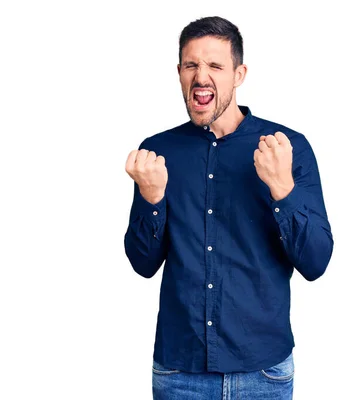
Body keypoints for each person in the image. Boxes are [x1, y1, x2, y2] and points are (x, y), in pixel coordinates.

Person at [123, 16, 334, 399]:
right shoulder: (158, 152)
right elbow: (142, 263)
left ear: (239, 74)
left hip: (263, 373)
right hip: (179, 373)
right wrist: (152, 200)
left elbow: (316, 263)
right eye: (191, 65)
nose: (201, 75)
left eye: (215, 66)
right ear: (179, 72)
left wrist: (283, 190)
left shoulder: (288, 148)